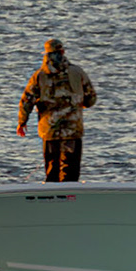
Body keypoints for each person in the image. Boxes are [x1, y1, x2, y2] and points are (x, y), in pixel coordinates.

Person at [18, 37, 98, 182]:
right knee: (71, 171)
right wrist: (78, 105)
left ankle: (51, 198)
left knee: (52, 169)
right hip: (72, 130)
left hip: (49, 130)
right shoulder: (77, 72)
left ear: (46, 54)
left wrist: (22, 122)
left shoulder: (39, 76)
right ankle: (70, 198)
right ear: (62, 51)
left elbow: (26, 100)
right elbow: (91, 99)